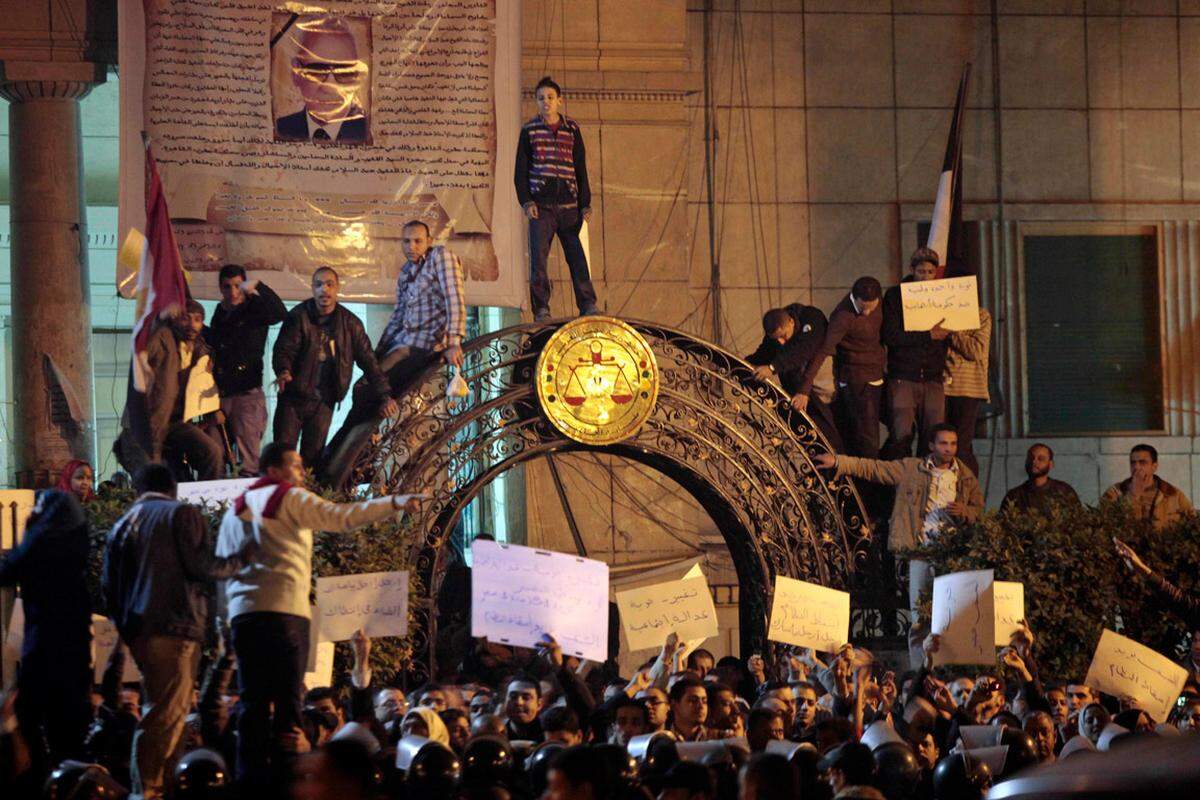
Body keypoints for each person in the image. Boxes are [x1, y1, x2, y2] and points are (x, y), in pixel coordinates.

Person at [214, 441, 423, 788]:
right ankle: (288, 781)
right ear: (274, 471)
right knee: (287, 703)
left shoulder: (234, 511)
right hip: (283, 613)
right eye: (295, 466)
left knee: (251, 702)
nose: (302, 473)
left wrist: (226, 621)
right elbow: (342, 518)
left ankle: (249, 783)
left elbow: (221, 571)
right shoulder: (289, 498)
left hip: (245, 617)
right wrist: (394, 502)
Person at [102, 463, 254, 800]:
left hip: (141, 632)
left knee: (163, 710)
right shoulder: (180, 514)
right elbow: (202, 566)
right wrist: (242, 558)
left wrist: (128, 630)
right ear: (172, 488)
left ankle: (160, 787)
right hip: (175, 627)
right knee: (166, 715)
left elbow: (109, 587)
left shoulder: (124, 523)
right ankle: (151, 791)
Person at [814, 423, 983, 669]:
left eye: (953, 444)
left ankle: (949, 670)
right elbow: (873, 468)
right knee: (919, 618)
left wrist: (965, 511)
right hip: (921, 553)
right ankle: (919, 671)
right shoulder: (912, 469)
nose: (949, 449)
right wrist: (838, 462)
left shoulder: (965, 476)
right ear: (932, 445)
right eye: (944, 443)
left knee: (951, 616)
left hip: (951, 554)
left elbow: (979, 511)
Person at [321, 221, 466, 488]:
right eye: (406, 241)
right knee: (365, 386)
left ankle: (339, 457)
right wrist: (376, 353)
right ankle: (342, 457)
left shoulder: (440, 258)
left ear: (428, 240)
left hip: (424, 347)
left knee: (370, 391)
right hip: (403, 343)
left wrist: (455, 340)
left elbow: (454, 298)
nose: (411, 247)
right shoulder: (406, 271)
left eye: (417, 241)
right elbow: (399, 315)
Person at [0, 490, 92, 778]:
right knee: (70, 730)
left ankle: (39, 779)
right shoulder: (78, 542)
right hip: (75, 647)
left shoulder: (39, 542)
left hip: (43, 645)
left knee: (30, 719)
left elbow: (8, 569)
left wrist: (29, 528)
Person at [272, 267, 394, 470]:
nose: (324, 290)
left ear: (337, 288)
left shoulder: (350, 324)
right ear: (312, 288)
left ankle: (307, 500)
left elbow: (369, 362)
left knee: (312, 461)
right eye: (318, 285)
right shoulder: (298, 316)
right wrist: (283, 371)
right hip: (293, 399)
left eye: (329, 284)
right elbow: (284, 350)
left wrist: (385, 395)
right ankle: (281, 499)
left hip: (324, 403)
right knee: (283, 457)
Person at [514, 76, 599, 321]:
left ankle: (588, 303)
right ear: (536, 101)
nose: (546, 102)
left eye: (550, 98)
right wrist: (527, 201)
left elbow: (580, 167)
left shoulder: (572, 129)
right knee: (539, 261)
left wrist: (585, 203)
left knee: (577, 257)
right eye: (541, 98)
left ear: (559, 100)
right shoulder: (529, 131)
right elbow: (521, 170)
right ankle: (541, 308)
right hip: (541, 207)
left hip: (569, 206)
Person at [115, 302, 225, 481]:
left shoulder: (201, 350)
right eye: (186, 318)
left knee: (212, 452)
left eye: (197, 320)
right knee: (151, 475)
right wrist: (159, 318)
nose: (191, 324)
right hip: (145, 422)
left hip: (175, 422)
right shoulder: (163, 339)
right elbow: (146, 346)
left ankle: (205, 502)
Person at [206, 265, 287, 477]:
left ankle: (248, 505)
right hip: (221, 394)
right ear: (220, 288)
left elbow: (279, 312)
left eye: (237, 286)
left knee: (249, 459)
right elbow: (216, 342)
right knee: (215, 453)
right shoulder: (220, 311)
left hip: (247, 393)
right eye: (227, 286)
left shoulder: (254, 308)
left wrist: (258, 287)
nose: (232, 292)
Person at [794, 276, 885, 458]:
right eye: (862, 307)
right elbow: (823, 351)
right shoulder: (842, 317)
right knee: (867, 439)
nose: (867, 312)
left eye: (871, 306)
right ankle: (867, 480)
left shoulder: (878, 304)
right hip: (857, 380)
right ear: (854, 297)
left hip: (878, 374)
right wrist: (804, 389)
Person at [880, 248, 950, 460]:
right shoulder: (895, 296)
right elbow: (891, 336)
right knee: (901, 435)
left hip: (933, 377)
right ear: (912, 270)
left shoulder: (942, 295)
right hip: (904, 377)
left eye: (930, 272)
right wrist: (927, 335)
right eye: (921, 272)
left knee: (933, 437)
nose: (925, 277)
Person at [747, 304, 842, 450]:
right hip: (805, 396)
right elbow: (762, 355)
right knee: (816, 438)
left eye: (783, 336)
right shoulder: (776, 336)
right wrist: (740, 364)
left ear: (791, 321)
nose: (781, 342)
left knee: (836, 433)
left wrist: (772, 368)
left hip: (829, 386)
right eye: (776, 339)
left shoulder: (812, 317)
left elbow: (802, 350)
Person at [275, 16, 369, 144]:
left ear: (357, 76)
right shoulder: (279, 130)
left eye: (344, 72)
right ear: (296, 72)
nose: (330, 86)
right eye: (317, 69)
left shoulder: (370, 132)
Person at [944, 307, 991, 476]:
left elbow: (976, 350)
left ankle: (968, 491)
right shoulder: (940, 313)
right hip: (941, 386)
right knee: (941, 444)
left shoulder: (980, 315)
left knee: (961, 445)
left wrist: (952, 332)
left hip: (967, 389)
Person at [1102, 443, 1194, 530]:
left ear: (1154, 467)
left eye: (1142, 462)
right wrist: (1134, 494)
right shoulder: (1115, 492)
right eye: (1133, 463)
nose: (1136, 467)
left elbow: (1193, 522)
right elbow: (1102, 522)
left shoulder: (1172, 493)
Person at [1000, 443, 1081, 515]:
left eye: (1041, 459)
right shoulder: (1014, 496)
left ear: (1050, 464)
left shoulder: (1064, 491)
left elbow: (1078, 522)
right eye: (1031, 458)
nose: (1034, 462)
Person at [667, 675, 709, 742]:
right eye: (693, 700)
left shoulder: (715, 738)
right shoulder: (663, 738)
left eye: (704, 701)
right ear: (674, 705)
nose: (701, 706)